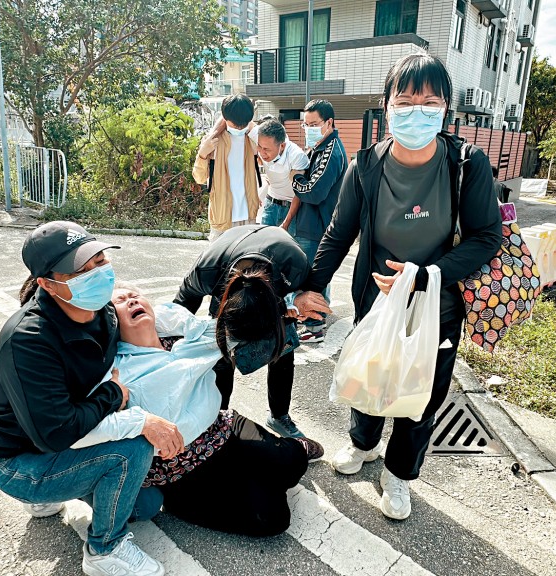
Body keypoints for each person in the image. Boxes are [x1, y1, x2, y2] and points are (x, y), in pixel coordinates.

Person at [293, 53, 502, 520]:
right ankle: (363, 445)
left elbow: (487, 236)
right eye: (405, 101)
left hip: (439, 305)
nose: (417, 111)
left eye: (430, 102)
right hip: (377, 300)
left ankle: (399, 474)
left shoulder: (466, 164)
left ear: (446, 108)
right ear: (386, 107)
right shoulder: (366, 166)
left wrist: (427, 275)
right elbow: (338, 233)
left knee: (420, 394)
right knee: (373, 374)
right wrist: (311, 287)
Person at [0, 221, 184, 576]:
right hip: (21, 461)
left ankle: (55, 493)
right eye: (81, 270)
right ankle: (105, 551)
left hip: (67, 440)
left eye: (100, 261)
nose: (99, 273)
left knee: (147, 504)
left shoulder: (104, 314)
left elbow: (153, 325)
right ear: (47, 283)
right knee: (134, 449)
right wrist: (119, 400)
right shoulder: (28, 340)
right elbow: (56, 434)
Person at [78, 287, 323, 537]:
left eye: (136, 296)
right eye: (121, 300)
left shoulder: (186, 337)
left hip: (224, 430)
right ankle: (188, 500)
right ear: (110, 320)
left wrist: (290, 306)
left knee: (290, 464)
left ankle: (288, 452)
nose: (131, 300)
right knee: (272, 520)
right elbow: (85, 428)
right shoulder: (116, 373)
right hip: (181, 469)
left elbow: (241, 325)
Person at [174, 225, 329, 439]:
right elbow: (179, 310)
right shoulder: (206, 272)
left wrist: (299, 298)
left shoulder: (295, 266)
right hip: (229, 263)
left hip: (276, 271)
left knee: (283, 349)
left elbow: (309, 292)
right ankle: (218, 420)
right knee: (222, 355)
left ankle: (279, 415)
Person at [290, 99, 348, 343]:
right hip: (312, 224)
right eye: (306, 124)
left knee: (312, 278)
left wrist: (295, 179)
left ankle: (314, 326)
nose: (309, 129)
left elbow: (314, 192)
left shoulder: (331, 151)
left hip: (317, 227)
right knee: (316, 276)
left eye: (314, 124)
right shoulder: (320, 147)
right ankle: (317, 316)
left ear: (329, 123)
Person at [193, 94, 261, 241]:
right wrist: (203, 153)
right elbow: (199, 178)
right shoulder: (212, 140)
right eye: (234, 124)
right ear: (225, 118)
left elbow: (267, 161)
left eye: (242, 124)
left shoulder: (253, 137)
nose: (238, 127)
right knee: (218, 262)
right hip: (222, 216)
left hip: (249, 215)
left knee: (247, 262)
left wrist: (253, 130)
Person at [255, 118, 311, 232]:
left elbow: (298, 194)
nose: (261, 152)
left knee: (286, 246)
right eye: (259, 146)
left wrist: (286, 223)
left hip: (291, 208)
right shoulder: (262, 145)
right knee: (264, 243)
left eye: (266, 149)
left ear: (282, 146)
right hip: (270, 204)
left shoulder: (297, 157)